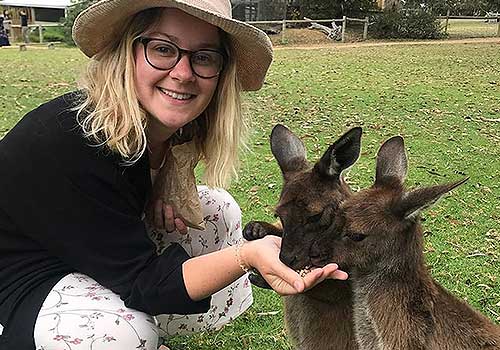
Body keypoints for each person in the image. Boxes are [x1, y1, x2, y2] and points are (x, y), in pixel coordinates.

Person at [0, 0, 348, 349]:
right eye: (163, 49)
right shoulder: (73, 140)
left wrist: (169, 177)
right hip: (19, 274)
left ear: (220, 71)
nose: (183, 73)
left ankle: (117, 319)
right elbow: (142, 280)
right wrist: (248, 256)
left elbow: (147, 181)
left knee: (218, 212)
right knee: (124, 336)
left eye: (204, 57)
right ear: (129, 51)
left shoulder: (171, 129)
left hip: (79, 248)